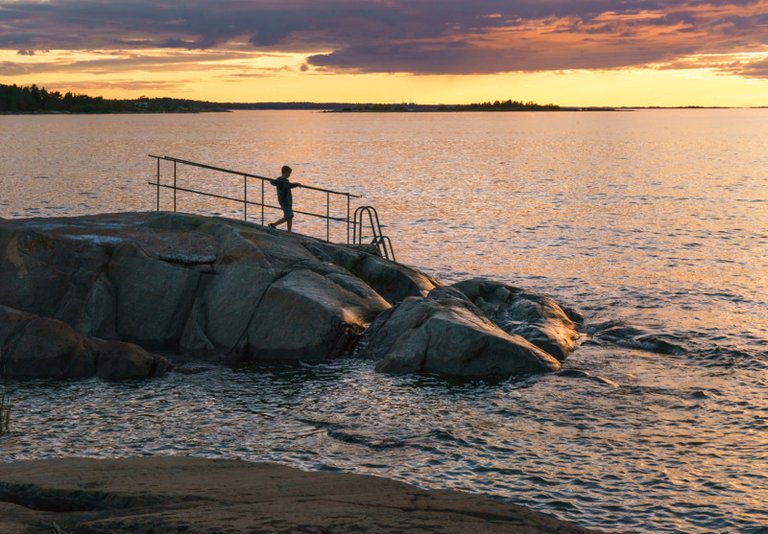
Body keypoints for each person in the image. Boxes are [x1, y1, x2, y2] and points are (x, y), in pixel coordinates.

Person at [268, 165, 301, 232]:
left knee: (290, 215)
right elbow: (289, 186)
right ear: (285, 172)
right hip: (286, 201)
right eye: (289, 173)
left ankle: (289, 231)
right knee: (288, 216)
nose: (289, 175)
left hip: (284, 200)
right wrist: (297, 184)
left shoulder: (278, 180)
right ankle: (273, 225)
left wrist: (271, 180)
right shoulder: (284, 181)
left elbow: (273, 182)